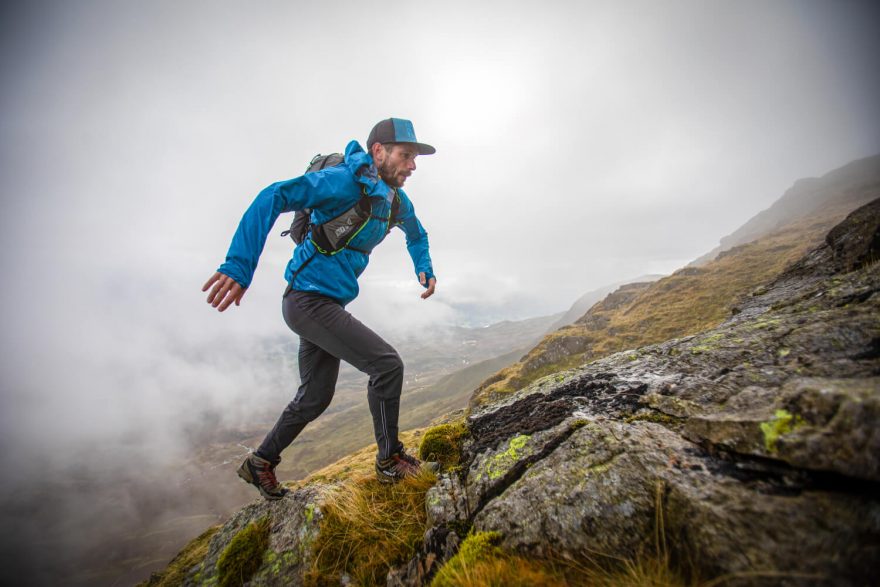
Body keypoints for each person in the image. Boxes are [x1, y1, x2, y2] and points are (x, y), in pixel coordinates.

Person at [202, 118, 438, 500]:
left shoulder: (396, 201)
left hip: (326, 302)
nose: (412, 165)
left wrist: (423, 266)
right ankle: (390, 461)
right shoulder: (342, 182)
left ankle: (260, 462)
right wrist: (239, 265)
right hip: (306, 300)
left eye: (415, 158)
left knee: (315, 396)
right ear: (378, 151)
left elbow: (417, 234)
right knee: (387, 366)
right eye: (405, 155)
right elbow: (273, 195)